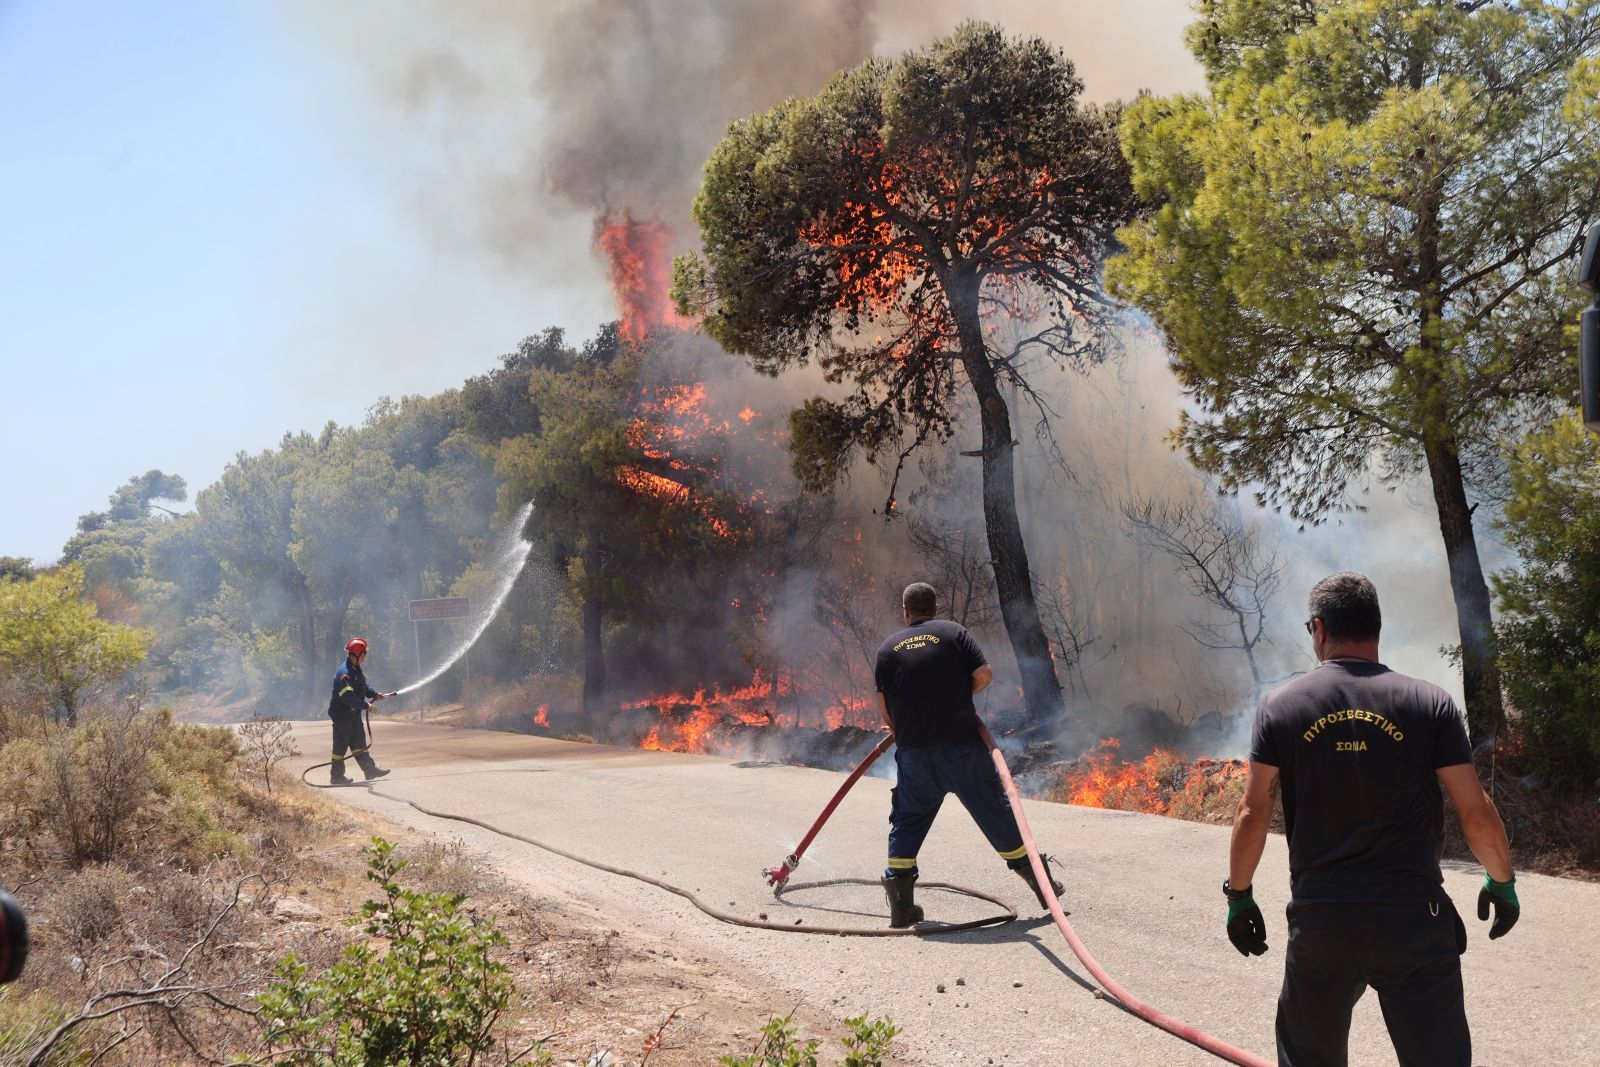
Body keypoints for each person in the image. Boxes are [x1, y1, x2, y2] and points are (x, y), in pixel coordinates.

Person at [1225, 573, 1519, 1067]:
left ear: (1319, 628)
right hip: (1413, 920)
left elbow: (1253, 813)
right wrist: (1501, 880)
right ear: (1376, 628)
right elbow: (1476, 811)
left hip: (1323, 921)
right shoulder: (1429, 703)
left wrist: (1240, 896)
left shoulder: (1280, 707)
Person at [875, 582, 1065, 927]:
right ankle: (1044, 888)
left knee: (907, 822)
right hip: (962, 747)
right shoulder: (952, 632)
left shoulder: (887, 649)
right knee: (998, 816)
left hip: (916, 755)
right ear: (935, 607)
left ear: (905, 612)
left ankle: (901, 908)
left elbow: (885, 713)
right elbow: (984, 675)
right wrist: (958, 697)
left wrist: (909, 722)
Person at [328, 637, 393, 785]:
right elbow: (348, 696)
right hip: (342, 715)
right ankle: (336, 777)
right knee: (340, 747)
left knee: (359, 743)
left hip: (353, 714)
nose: (365, 657)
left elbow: (363, 686)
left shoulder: (355, 668)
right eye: (364, 654)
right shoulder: (344, 672)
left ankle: (369, 770)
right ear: (356, 654)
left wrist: (375, 694)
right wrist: (367, 706)